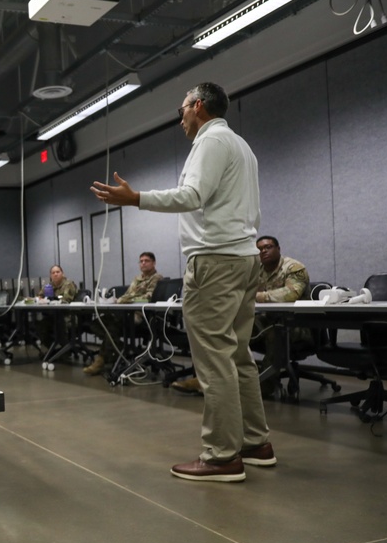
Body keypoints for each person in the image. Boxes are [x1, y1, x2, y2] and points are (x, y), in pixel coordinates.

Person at [90, 82, 273, 482]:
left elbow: (192, 196)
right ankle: (256, 443)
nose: (181, 119)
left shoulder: (209, 142)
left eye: (182, 110)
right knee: (238, 354)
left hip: (216, 261)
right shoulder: (242, 146)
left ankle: (222, 455)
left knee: (214, 358)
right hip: (244, 259)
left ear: (199, 106)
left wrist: (136, 198)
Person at [83, 252, 163, 375]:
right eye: (141, 261)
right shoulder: (137, 279)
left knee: (112, 327)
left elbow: (148, 298)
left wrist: (125, 300)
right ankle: (119, 346)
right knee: (96, 323)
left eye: (146, 261)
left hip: (140, 316)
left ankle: (101, 360)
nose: (143, 263)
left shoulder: (156, 278)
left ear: (153, 263)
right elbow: (126, 295)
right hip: (125, 313)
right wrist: (117, 300)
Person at [252, 235, 311, 397]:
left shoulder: (294, 268)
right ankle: (238, 379)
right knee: (235, 327)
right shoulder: (257, 271)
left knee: (275, 333)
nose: (263, 251)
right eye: (259, 249)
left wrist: (258, 296)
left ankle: (264, 385)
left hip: (298, 325)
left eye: (268, 247)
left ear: (278, 249)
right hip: (268, 321)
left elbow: (291, 293)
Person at [35, 265, 79, 350]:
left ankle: (64, 349)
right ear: (51, 275)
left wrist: (50, 301)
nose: (55, 274)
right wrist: (40, 298)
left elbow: (66, 300)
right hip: (53, 316)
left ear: (62, 273)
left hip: (67, 316)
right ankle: (54, 350)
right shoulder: (49, 286)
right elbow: (39, 296)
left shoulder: (68, 284)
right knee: (40, 326)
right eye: (53, 273)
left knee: (58, 325)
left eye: (58, 272)